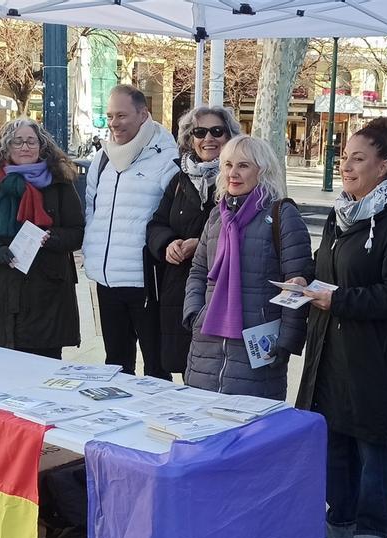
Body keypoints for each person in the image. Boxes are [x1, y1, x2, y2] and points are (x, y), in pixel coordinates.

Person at [295, 117, 387, 538]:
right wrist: (305, 283)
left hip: (376, 356)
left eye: (357, 159)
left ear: (384, 166)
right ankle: (342, 521)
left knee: (374, 448)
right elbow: (328, 268)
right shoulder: (341, 212)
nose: (346, 166)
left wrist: (339, 299)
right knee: (335, 440)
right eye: (344, 157)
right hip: (331, 350)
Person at [183, 135, 312, 398]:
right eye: (228, 165)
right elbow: (198, 270)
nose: (233, 173)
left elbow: (298, 281)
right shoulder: (217, 216)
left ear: (262, 171)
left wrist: (286, 342)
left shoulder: (282, 214)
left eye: (243, 166)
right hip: (207, 343)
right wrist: (195, 313)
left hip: (258, 345)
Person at [0, 118, 85, 359]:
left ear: (42, 146)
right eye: (17, 142)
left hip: (48, 291)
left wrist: (53, 238)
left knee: (45, 366)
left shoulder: (59, 182)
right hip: (3, 288)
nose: (25, 147)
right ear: (6, 147)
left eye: (31, 141)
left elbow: (77, 231)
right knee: (4, 365)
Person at [83, 84, 180, 377]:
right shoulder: (102, 159)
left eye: (122, 115)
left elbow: (171, 218)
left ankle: (155, 420)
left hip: (146, 281)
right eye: (110, 116)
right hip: (107, 279)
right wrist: (92, 251)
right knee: (115, 363)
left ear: (143, 114)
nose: (114, 123)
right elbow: (92, 208)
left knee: (156, 366)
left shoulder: (167, 158)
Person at [146, 106, 242, 375]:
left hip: (220, 289)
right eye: (199, 132)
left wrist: (197, 245)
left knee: (214, 372)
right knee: (184, 369)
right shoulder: (179, 179)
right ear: (190, 138)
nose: (208, 138)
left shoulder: (238, 179)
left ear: (229, 136)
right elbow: (156, 224)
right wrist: (168, 244)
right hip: (178, 289)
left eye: (217, 131)